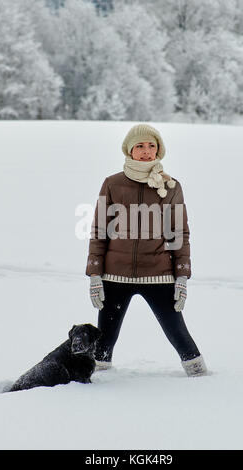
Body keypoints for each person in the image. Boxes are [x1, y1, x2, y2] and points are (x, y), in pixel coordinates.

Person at [85, 124, 207, 377]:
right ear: (129, 150)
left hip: (159, 273)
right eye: (139, 146)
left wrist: (181, 276)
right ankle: (97, 386)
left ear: (159, 149)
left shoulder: (171, 186)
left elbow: (180, 233)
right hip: (114, 276)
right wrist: (95, 273)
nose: (146, 151)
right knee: (102, 347)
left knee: (180, 335)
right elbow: (99, 230)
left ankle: (200, 379)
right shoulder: (112, 184)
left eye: (151, 145)